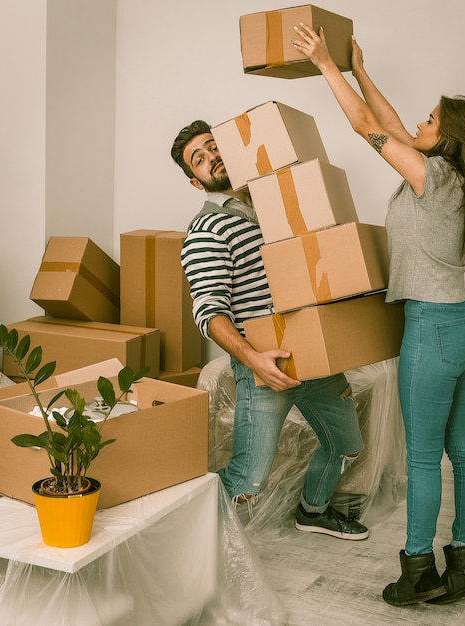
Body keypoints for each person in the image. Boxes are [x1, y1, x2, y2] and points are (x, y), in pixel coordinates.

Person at [292, 25, 465, 605]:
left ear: (448, 138)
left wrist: (323, 66)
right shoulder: (457, 178)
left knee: (425, 460)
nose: (420, 124)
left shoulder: (430, 177)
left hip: (432, 332)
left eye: (431, 120)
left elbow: (366, 129)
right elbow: (390, 128)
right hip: (463, 327)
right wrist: (359, 69)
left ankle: (416, 571)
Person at [171, 119, 369, 540]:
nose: (212, 159)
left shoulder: (278, 205)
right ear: (195, 181)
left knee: (348, 446)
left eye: (213, 147)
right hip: (264, 368)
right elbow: (209, 311)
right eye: (199, 160)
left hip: (316, 358)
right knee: (246, 482)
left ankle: (313, 511)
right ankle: (186, 543)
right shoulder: (207, 231)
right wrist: (254, 361)